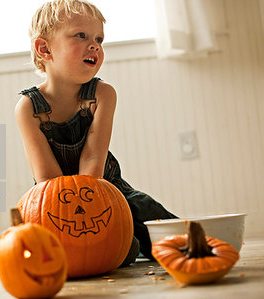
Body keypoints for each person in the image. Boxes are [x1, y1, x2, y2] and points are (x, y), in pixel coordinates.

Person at [15, 0, 177, 266]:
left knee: (152, 216)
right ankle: (125, 247)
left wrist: (100, 209)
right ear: (44, 48)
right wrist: (74, 218)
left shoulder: (103, 94)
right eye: (81, 36)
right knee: (117, 252)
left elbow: (93, 158)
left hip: (106, 189)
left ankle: (187, 242)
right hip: (56, 203)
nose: (95, 46)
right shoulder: (29, 107)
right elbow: (45, 176)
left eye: (99, 39)